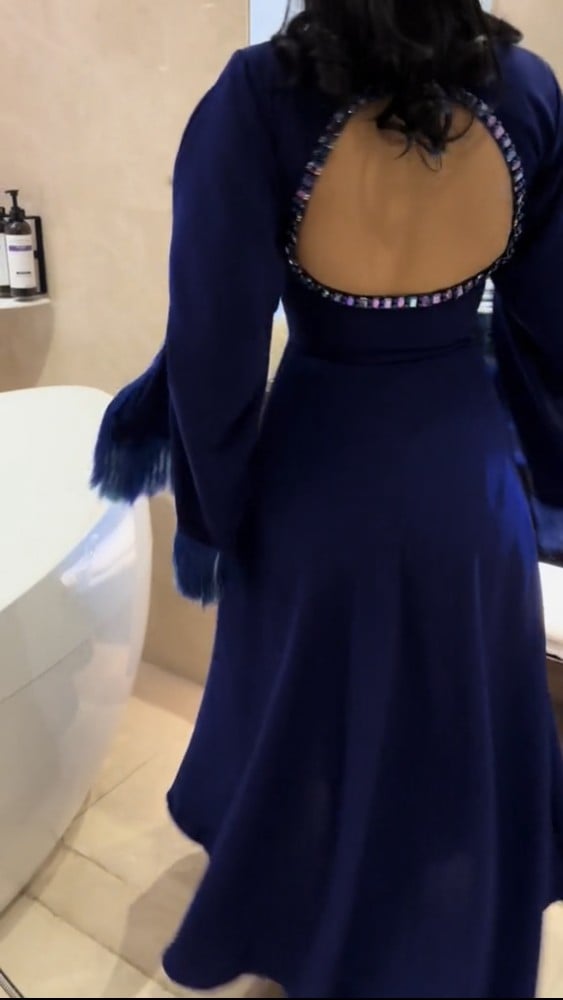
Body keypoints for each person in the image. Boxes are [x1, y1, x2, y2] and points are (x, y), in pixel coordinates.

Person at [92, 1, 563, 996]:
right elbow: (552, 331)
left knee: (309, 722)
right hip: (469, 492)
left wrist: (215, 514)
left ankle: (319, 937)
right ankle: (436, 940)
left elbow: (212, 348)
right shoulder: (527, 95)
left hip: (317, 482)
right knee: (450, 729)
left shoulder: (260, 97)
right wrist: (548, 474)